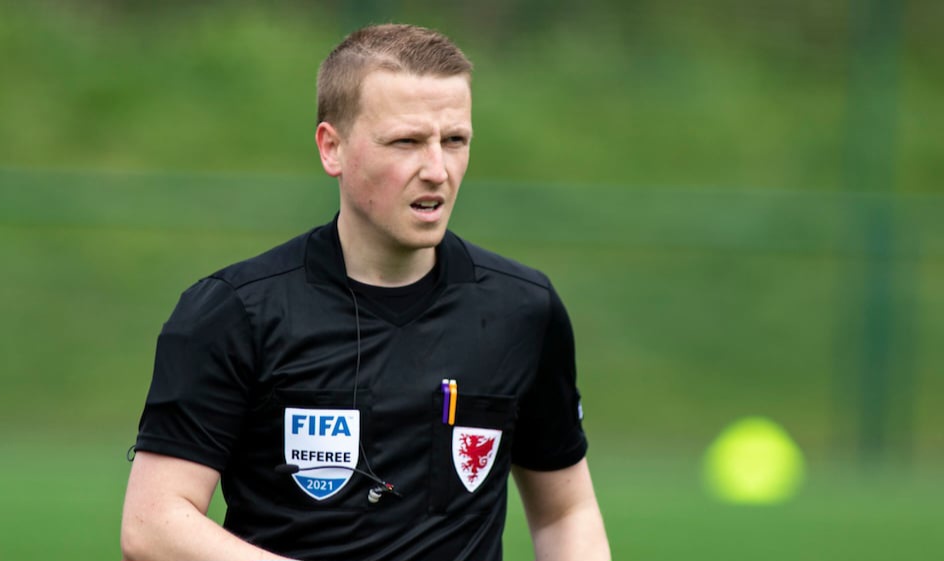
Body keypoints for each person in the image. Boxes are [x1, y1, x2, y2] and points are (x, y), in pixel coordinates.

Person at [120, 23, 610, 561]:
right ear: (332, 148)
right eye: (406, 142)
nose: (437, 170)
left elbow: (566, 514)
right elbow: (152, 527)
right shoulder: (235, 311)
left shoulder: (522, 309)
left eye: (454, 141)